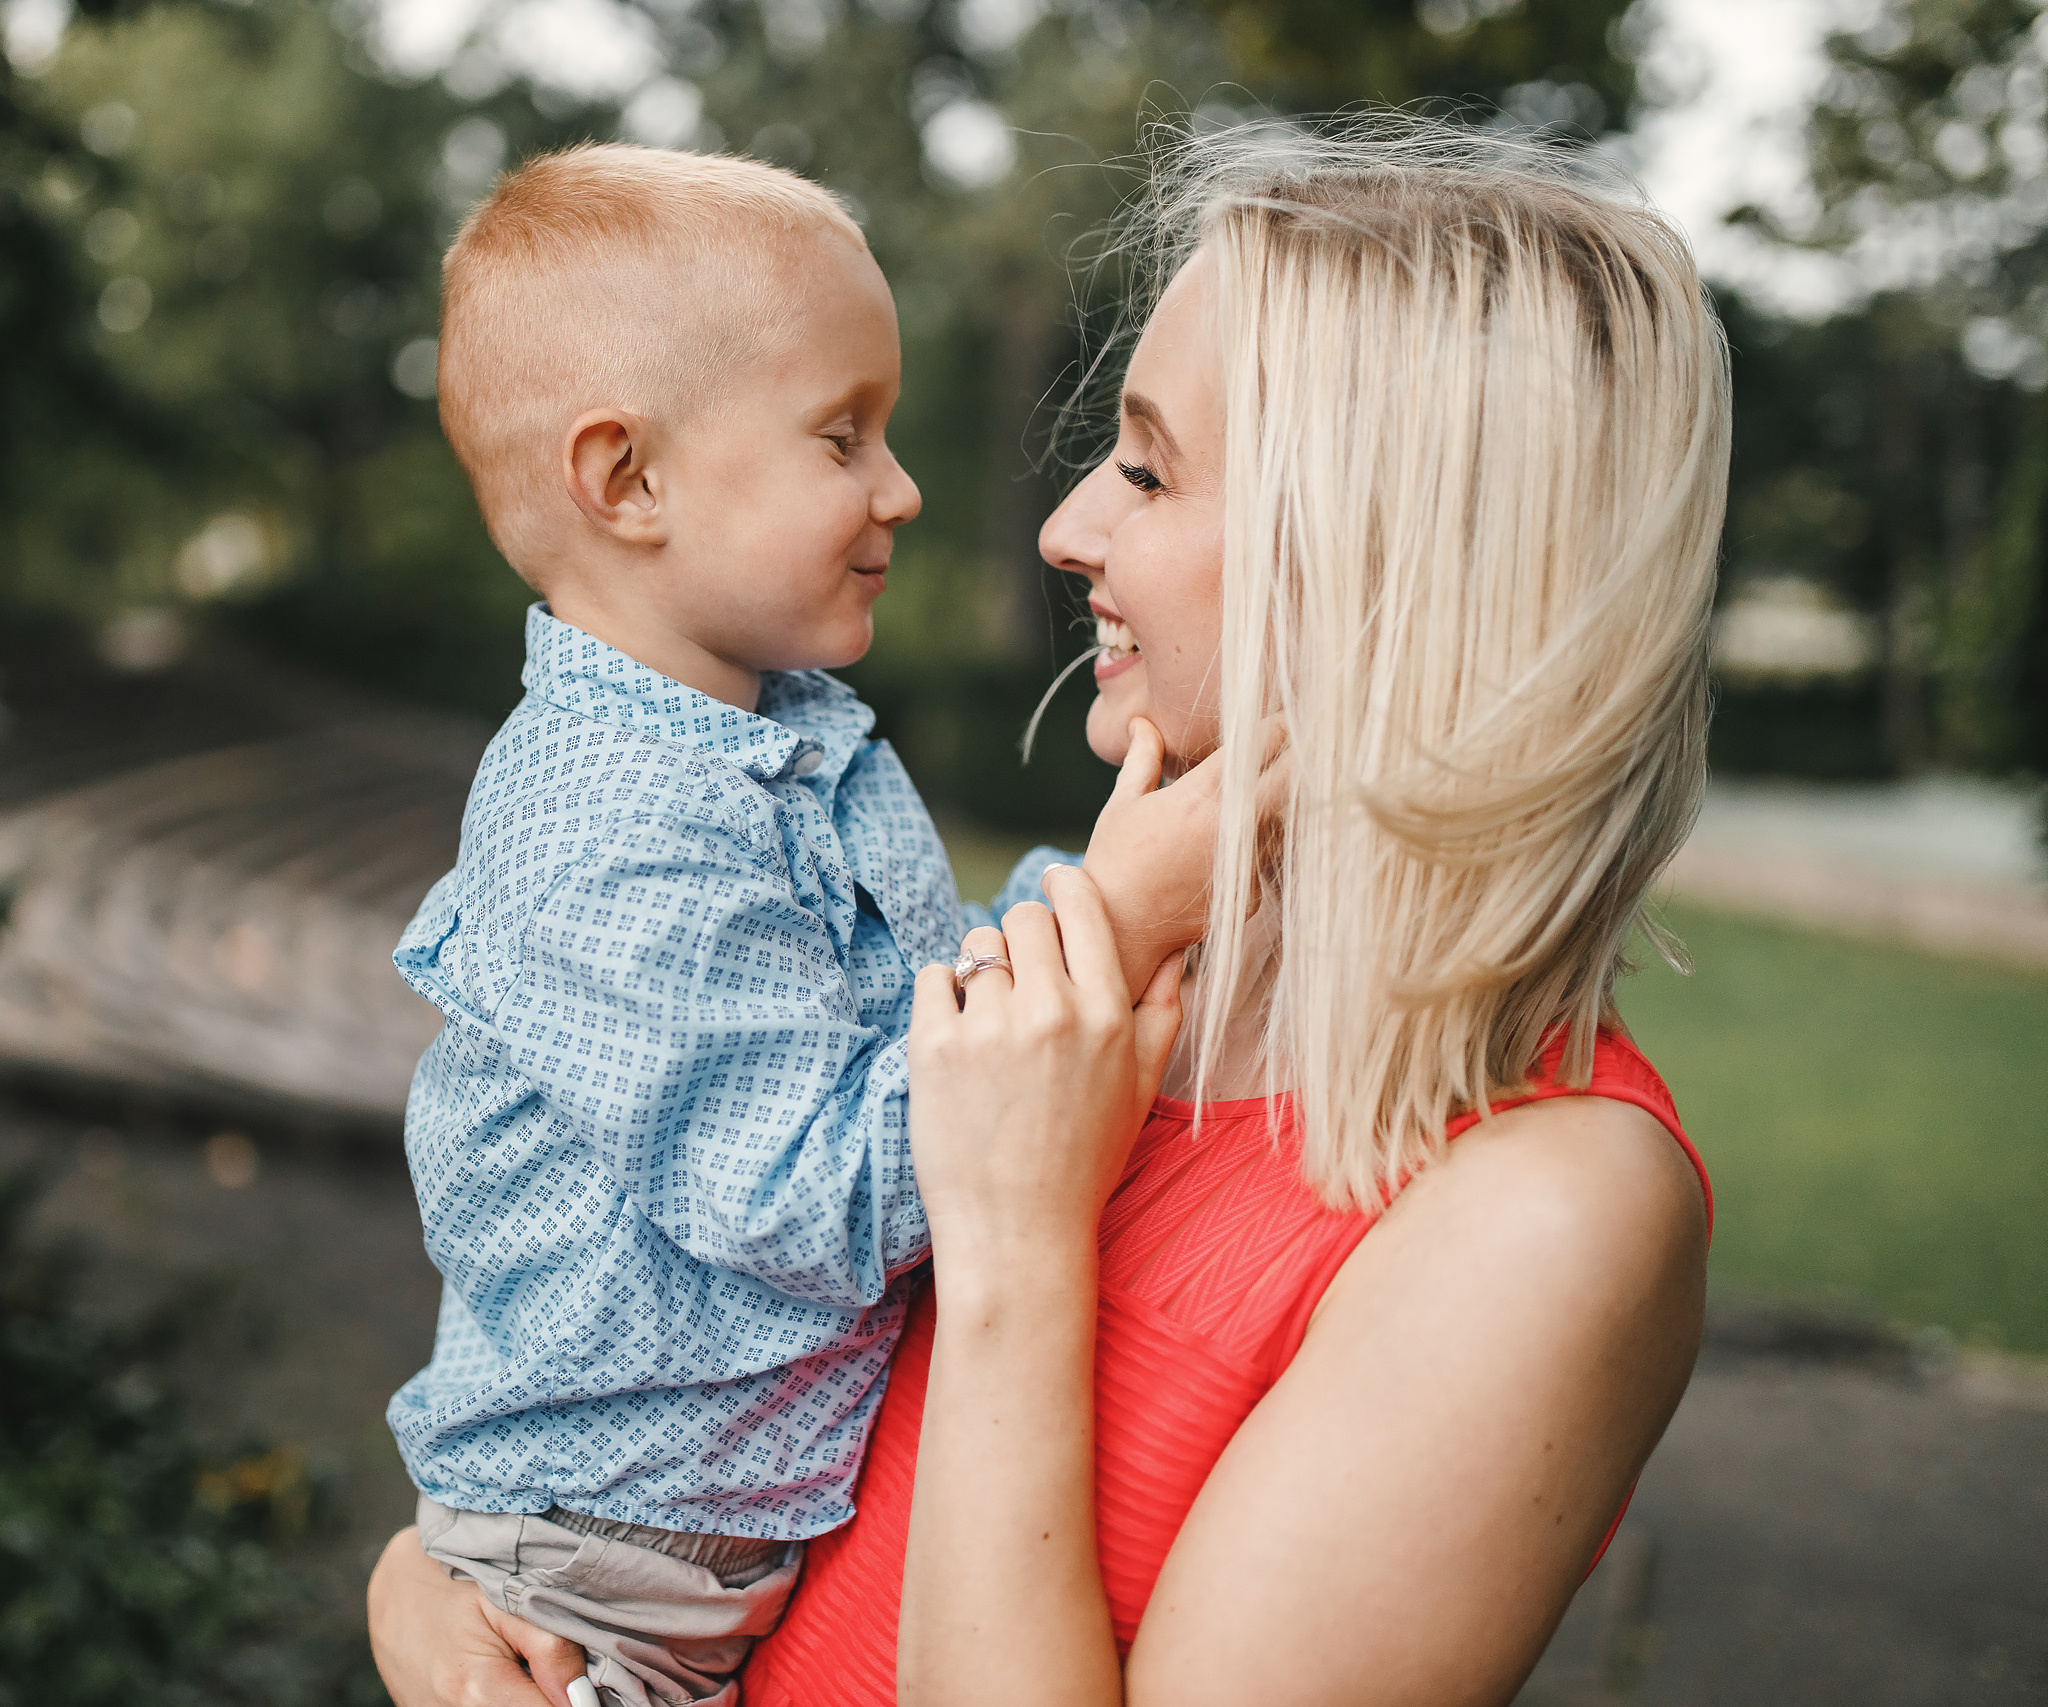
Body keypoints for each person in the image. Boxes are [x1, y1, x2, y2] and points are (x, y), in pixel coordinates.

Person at [372, 117, 1727, 1707]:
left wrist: (1014, 1239)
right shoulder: (1116, 983)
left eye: (1147, 469)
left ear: (1398, 564)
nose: (1065, 526)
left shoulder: (1544, 1218)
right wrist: (433, 1589)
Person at [383, 143, 1221, 1707]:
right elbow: (809, 1196)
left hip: (705, 1557)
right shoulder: (599, 826)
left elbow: (928, 1001)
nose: (900, 489)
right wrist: (1109, 919)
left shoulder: (795, 737)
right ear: (626, 481)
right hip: (597, 1588)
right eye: (844, 436)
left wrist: (1104, 887)